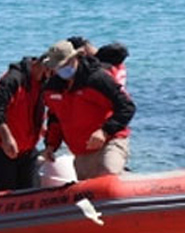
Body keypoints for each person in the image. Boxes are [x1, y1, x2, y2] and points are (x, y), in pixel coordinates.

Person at [41, 40, 136, 180]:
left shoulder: (97, 79)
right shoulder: (52, 89)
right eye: (58, 67)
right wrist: (51, 145)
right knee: (91, 191)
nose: (63, 70)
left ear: (75, 59)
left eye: (66, 65)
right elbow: (55, 118)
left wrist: (105, 131)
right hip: (81, 151)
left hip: (110, 140)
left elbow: (127, 107)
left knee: (109, 174)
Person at [0, 55, 50, 191]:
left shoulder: (44, 82)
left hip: (27, 147)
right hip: (1, 144)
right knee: (6, 193)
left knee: (31, 192)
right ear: (44, 67)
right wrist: (6, 137)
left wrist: (49, 140)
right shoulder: (13, 79)